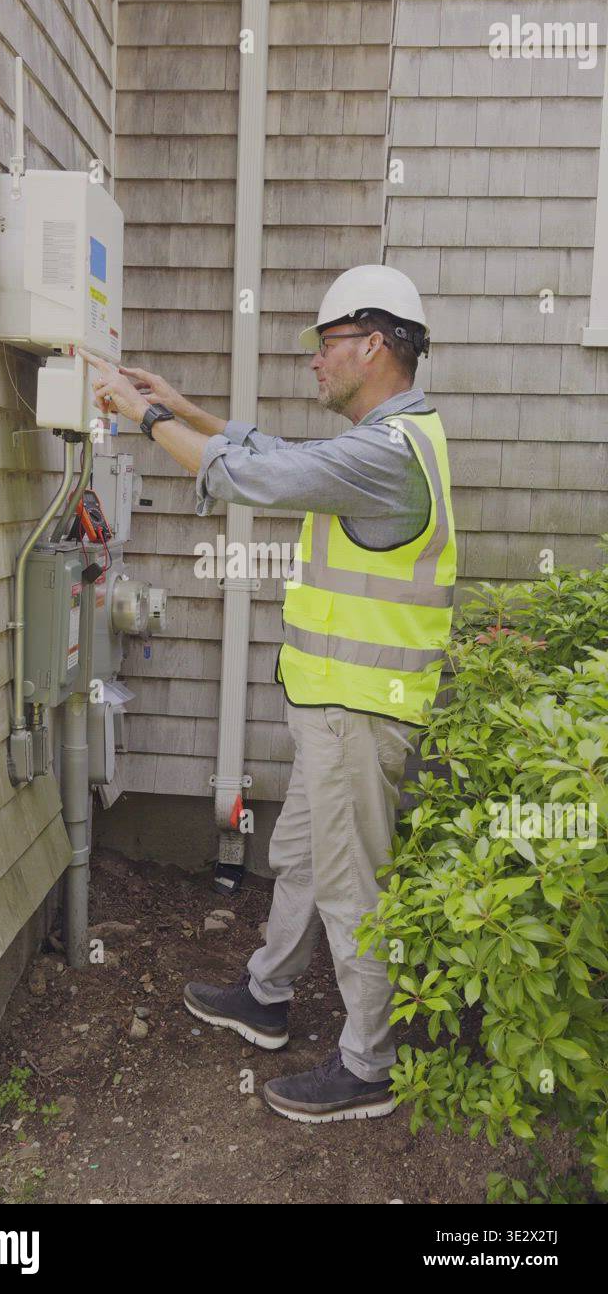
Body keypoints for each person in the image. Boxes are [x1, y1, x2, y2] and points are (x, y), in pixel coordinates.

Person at [79, 263, 457, 1124]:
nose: (314, 364)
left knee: (349, 886)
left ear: (374, 344)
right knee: (300, 862)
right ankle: (269, 994)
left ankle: (368, 1064)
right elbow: (285, 457)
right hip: (337, 711)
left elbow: (255, 479)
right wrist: (181, 406)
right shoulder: (389, 439)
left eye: (325, 347)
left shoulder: (386, 454)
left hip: (361, 717)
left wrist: (142, 416)